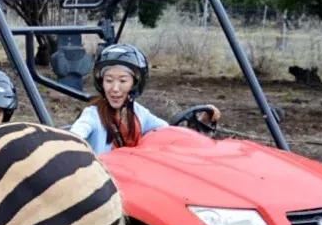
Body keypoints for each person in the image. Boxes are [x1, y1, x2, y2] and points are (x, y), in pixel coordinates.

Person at [69, 43, 220, 153]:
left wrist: (202, 122)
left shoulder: (139, 113)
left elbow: (170, 133)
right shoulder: (92, 115)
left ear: (134, 84)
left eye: (122, 81)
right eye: (109, 80)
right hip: (104, 182)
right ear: (101, 83)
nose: (115, 88)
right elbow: (73, 137)